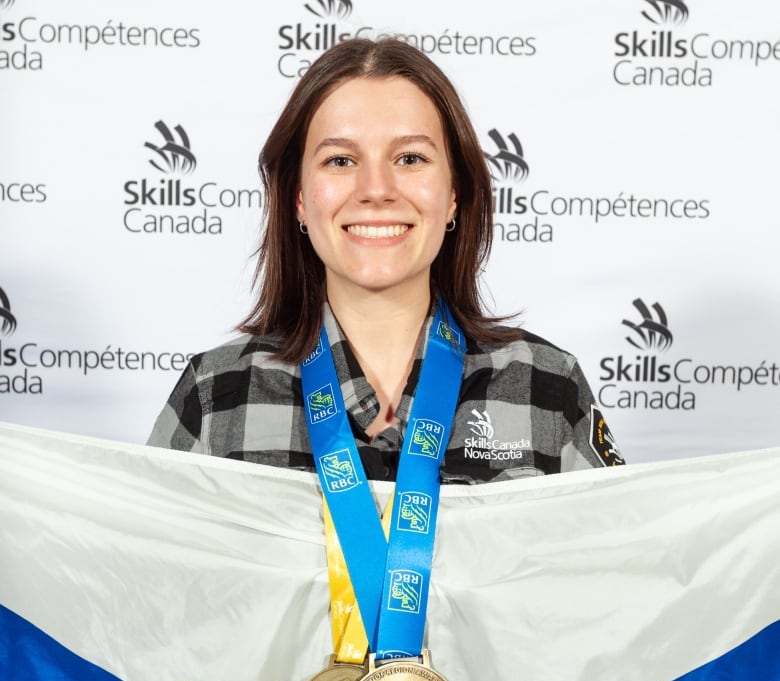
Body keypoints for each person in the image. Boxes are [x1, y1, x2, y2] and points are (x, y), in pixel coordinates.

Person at [148, 37, 624, 479]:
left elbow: (618, 567)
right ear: (299, 199)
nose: (376, 190)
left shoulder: (547, 385)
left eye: (410, 159)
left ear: (454, 193)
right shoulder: (214, 394)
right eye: (340, 160)